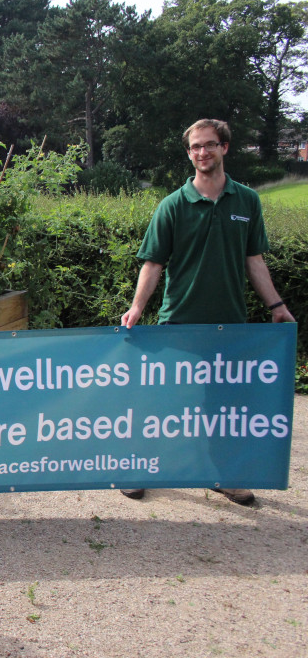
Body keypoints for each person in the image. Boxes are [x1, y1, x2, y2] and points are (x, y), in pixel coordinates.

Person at [120, 118, 296, 505]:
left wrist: (277, 305)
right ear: (189, 153)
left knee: (224, 409)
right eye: (195, 147)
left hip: (229, 327)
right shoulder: (173, 205)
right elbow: (153, 264)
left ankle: (222, 476)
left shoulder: (247, 201)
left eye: (209, 145)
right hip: (178, 323)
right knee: (161, 403)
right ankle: (137, 468)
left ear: (225, 148)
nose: (202, 152)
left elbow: (254, 260)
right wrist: (136, 309)